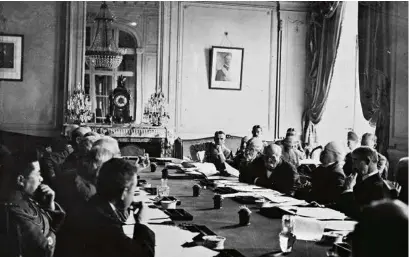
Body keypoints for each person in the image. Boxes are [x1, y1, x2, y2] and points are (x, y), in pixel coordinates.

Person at [58, 158, 155, 257]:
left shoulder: (93, 205)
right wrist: (142, 224)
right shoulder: (107, 224)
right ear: (124, 192)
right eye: (133, 191)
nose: (132, 196)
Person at [0, 151, 65, 257]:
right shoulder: (15, 211)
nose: (41, 178)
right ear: (21, 180)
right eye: (38, 173)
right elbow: (45, 250)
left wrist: (50, 206)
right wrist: (53, 228)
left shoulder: (25, 199)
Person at [336, 147, 394, 219]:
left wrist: (348, 190)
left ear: (367, 161)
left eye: (355, 160)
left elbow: (360, 214)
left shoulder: (379, 187)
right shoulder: (359, 181)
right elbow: (343, 206)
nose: (353, 166)